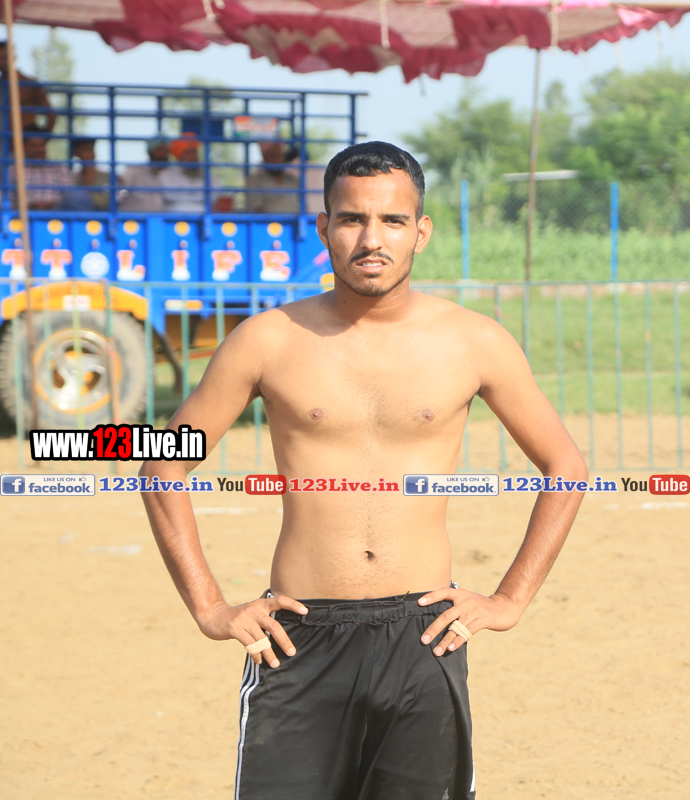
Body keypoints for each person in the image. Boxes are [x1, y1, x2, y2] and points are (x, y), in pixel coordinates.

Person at [139, 141, 587, 799]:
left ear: (420, 232)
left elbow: (565, 466)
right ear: (324, 228)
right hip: (297, 636)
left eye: (392, 221)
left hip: (425, 634)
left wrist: (509, 599)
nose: (371, 239)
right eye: (351, 219)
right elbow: (161, 464)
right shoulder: (268, 339)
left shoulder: (474, 341)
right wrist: (209, 606)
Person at [6, 126, 71, 210]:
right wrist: (32, 207)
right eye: (33, 145)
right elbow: (8, 203)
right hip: (26, 214)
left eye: (41, 145)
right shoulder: (14, 170)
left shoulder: (60, 168)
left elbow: (70, 198)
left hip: (57, 213)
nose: (38, 149)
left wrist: (51, 205)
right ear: (24, 146)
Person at [0, 39, 56, 131]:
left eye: (5, 57)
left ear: (14, 58)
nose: (1, 62)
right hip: (4, 136)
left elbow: (51, 114)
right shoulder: (2, 84)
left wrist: (42, 137)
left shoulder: (30, 84)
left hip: (24, 135)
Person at [244, 138, 301, 213]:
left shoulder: (293, 179)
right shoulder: (254, 180)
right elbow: (257, 210)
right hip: (269, 220)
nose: (276, 160)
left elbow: (303, 207)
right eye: (273, 156)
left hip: (297, 220)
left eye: (279, 156)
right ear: (265, 158)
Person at [118, 135, 170, 212]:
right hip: (134, 218)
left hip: (161, 219)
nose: (163, 154)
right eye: (159, 150)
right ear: (150, 152)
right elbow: (120, 190)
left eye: (166, 151)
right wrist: (123, 194)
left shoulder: (170, 174)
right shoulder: (134, 171)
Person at [158, 132, 207, 212]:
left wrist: (184, 192)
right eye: (188, 152)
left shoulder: (206, 175)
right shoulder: (166, 175)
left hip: (203, 218)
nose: (193, 156)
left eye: (194, 151)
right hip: (173, 219)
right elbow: (169, 195)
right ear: (179, 156)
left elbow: (213, 194)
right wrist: (195, 194)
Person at [59, 137, 111, 211]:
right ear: (77, 153)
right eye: (86, 149)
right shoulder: (73, 176)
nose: (91, 154)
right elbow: (74, 201)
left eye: (92, 149)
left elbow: (105, 202)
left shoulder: (106, 176)